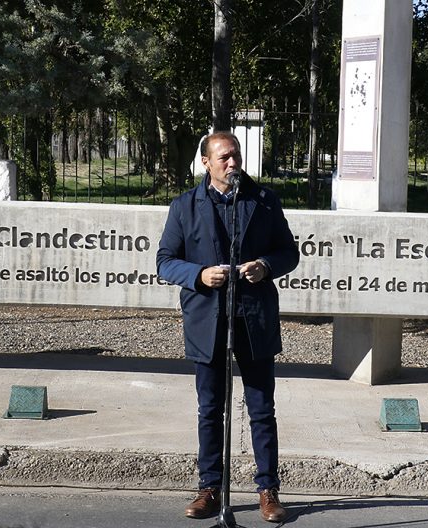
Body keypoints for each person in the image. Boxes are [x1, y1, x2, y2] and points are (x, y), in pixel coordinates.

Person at [157, 131, 300, 523]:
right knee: (210, 408)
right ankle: (210, 488)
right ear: (206, 162)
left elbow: (289, 253)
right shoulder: (184, 206)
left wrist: (265, 266)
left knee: (261, 407)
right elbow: (165, 261)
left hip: (254, 319)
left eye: (235, 155)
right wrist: (199, 275)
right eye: (223, 157)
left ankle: (268, 490)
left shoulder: (264, 201)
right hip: (208, 320)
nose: (232, 163)